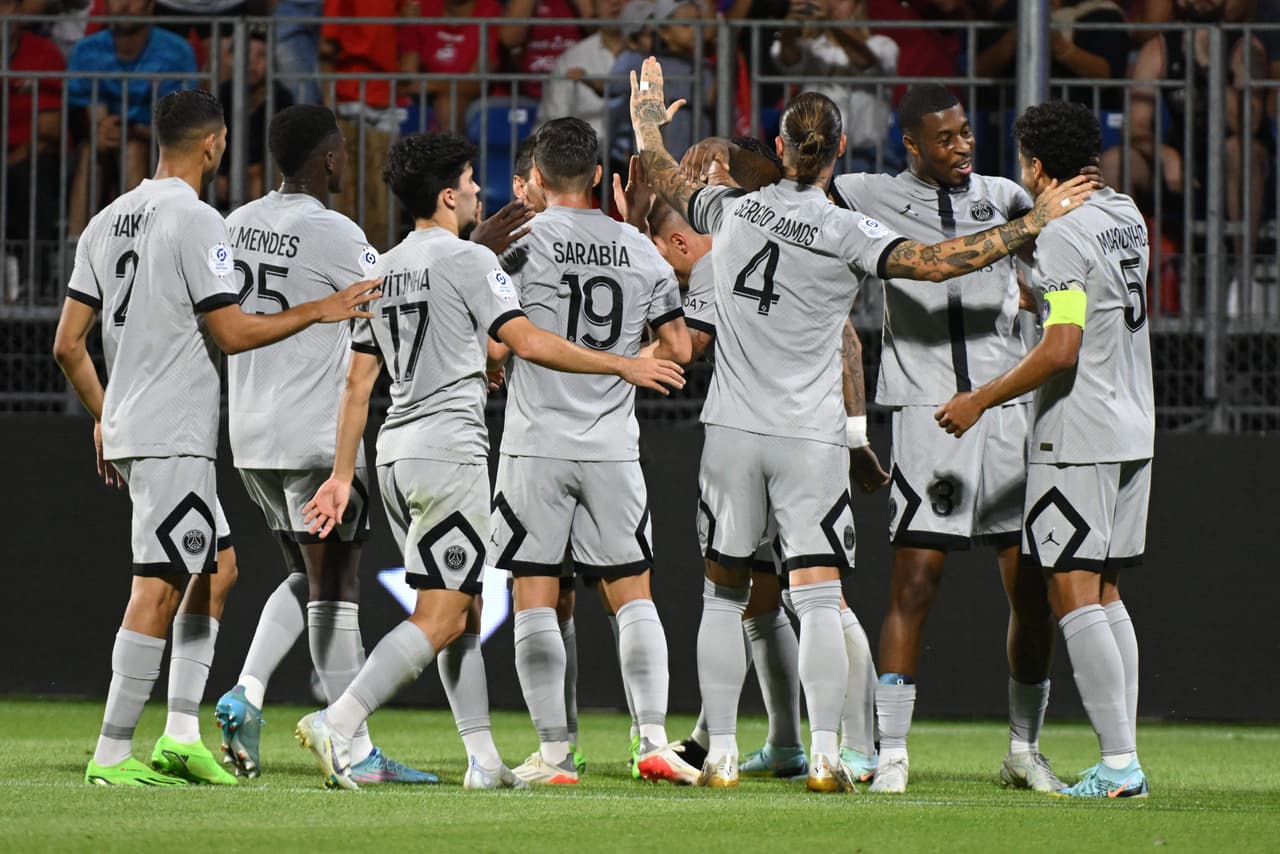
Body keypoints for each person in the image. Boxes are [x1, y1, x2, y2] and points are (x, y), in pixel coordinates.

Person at [629, 56, 1091, 791]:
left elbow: (660, 168)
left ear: (781, 149)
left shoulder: (729, 209)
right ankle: (824, 754)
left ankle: (717, 752)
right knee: (816, 597)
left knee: (723, 594)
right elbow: (939, 263)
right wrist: (1034, 222)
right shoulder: (849, 230)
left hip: (731, 430)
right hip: (808, 434)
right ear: (839, 150)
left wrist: (646, 111)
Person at [293, 131, 686, 791]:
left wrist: (340, 475)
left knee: (468, 606)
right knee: (446, 614)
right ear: (448, 194)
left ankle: (485, 760)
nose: (483, 189)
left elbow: (359, 384)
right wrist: (624, 362)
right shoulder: (481, 263)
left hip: (395, 453)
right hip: (453, 452)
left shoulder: (381, 267)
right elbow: (522, 340)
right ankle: (341, 719)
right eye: (473, 180)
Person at [52, 88, 380, 787]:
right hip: (172, 430)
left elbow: (66, 345)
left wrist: (106, 416)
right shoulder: (197, 221)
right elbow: (231, 333)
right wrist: (321, 309)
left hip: (147, 425)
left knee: (218, 570)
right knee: (159, 583)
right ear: (214, 144)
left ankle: (178, 735)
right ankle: (112, 755)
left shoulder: (106, 220)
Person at [826, 83, 1061, 794]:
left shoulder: (1006, 196)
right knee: (916, 583)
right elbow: (790, 194)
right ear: (912, 145)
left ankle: (1024, 748)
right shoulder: (866, 192)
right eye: (946, 138)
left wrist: (1037, 296)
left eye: (965, 134)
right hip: (931, 414)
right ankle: (892, 751)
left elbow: (1055, 262)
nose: (962, 146)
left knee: (1031, 589)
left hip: (1007, 409)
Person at [936, 99, 1152, 799]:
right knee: (1106, 593)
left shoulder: (1064, 232)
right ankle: (1122, 756)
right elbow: (1087, 308)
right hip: (1134, 426)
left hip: (1077, 432)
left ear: (1034, 165)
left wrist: (980, 400)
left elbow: (1063, 349)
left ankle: (1120, 767)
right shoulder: (1127, 216)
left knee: (1070, 593)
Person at [212, 105, 433, 785]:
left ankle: (246, 691)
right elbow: (399, 294)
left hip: (249, 432)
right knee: (335, 588)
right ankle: (355, 750)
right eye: (342, 154)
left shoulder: (236, 221)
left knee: (306, 577)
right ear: (330, 158)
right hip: (313, 432)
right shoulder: (335, 232)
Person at [486, 117, 697, 786]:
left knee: (536, 596)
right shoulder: (639, 250)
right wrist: (628, 361)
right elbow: (682, 348)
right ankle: (654, 740)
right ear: (602, 178)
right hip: (612, 446)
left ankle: (553, 754)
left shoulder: (521, 243)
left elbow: (497, 347)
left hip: (535, 446)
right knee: (634, 596)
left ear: (538, 181)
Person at [1099, 0, 1271, 312]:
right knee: (1115, 161)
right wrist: (1164, 155)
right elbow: (1136, 126)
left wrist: (1209, 63)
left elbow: (1247, 123)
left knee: (1238, 150)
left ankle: (1243, 275)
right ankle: (1121, 280)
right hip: (1183, 168)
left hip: (1242, 171)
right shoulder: (1161, 49)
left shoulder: (1246, 47)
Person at [66, 0, 197, 235]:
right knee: (92, 150)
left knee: (132, 150)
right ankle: (74, 251)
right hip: (103, 143)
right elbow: (94, 115)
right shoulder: (86, 50)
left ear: (150, 5)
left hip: (159, 146)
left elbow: (177, 125)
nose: (125, 4)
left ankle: (133, 249)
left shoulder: (176, 51)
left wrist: (132, 132)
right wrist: (104, 129)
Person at [770, 0, 898, 158]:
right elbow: (787, 60)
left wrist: (831, 22)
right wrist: (790, 24)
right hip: (814, 153)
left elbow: (866, 62)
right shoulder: (810, 47)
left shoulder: (882, 45)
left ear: (858, 6)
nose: (831, 5)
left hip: (868, 155)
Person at [215, 28, 295, 207]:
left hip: (266, 173)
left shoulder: (281, 97)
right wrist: (220, 172)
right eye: (246, 55)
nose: (252, 63)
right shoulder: (224, 94)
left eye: (261, 56)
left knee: (257, 173)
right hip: (227, 170)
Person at [398, 0, 504, 132]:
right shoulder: (421, 8)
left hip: (473, 98)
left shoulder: (490, 10)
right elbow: (408, 73)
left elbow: (477, 83)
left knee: (448, 105)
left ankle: (451, 151)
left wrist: (430, 85)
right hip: (425, 95)